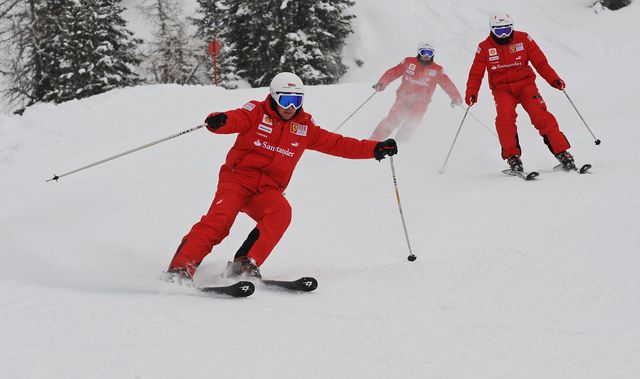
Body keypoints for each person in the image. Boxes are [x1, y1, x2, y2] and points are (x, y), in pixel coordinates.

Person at [168, 72, 398, 280]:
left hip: (267, 189)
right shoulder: (256, 112)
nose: (290, 107)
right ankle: (180, 269)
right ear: (273, 97)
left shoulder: (305, 128)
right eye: (285, 100)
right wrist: (220, 121)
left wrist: (374, 148)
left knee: (281, 212)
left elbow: (338, 144)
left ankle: (244, 264)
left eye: (296, 101)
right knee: (219, 222)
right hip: (237, 180)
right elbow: (235, 118)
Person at [464, 11, 577, 172]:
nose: (503, 35)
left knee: (541, 115)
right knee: (505, 118)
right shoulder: (484, 47)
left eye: (506, 30)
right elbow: (476, 73)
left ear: (512, 28)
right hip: (502, 90)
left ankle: (563, 154)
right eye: (498, 31)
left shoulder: (524, 39)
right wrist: (472, 92)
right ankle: (513, 158)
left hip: (526, 86)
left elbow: (541, 63)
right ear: (491, 29)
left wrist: (554, 79)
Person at [370, 43, 463, 141]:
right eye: (424, 52)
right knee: (392, 119)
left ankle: (399, 145)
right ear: (419, 52)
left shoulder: (437, 70)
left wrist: (455, 97)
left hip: (421, 102)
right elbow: (393, 72)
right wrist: (382, 83)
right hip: (404, 98)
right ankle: (373, 142)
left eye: (430, 53)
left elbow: (447, 84)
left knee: (412, 122)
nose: (427, 56)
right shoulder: (408, 62)